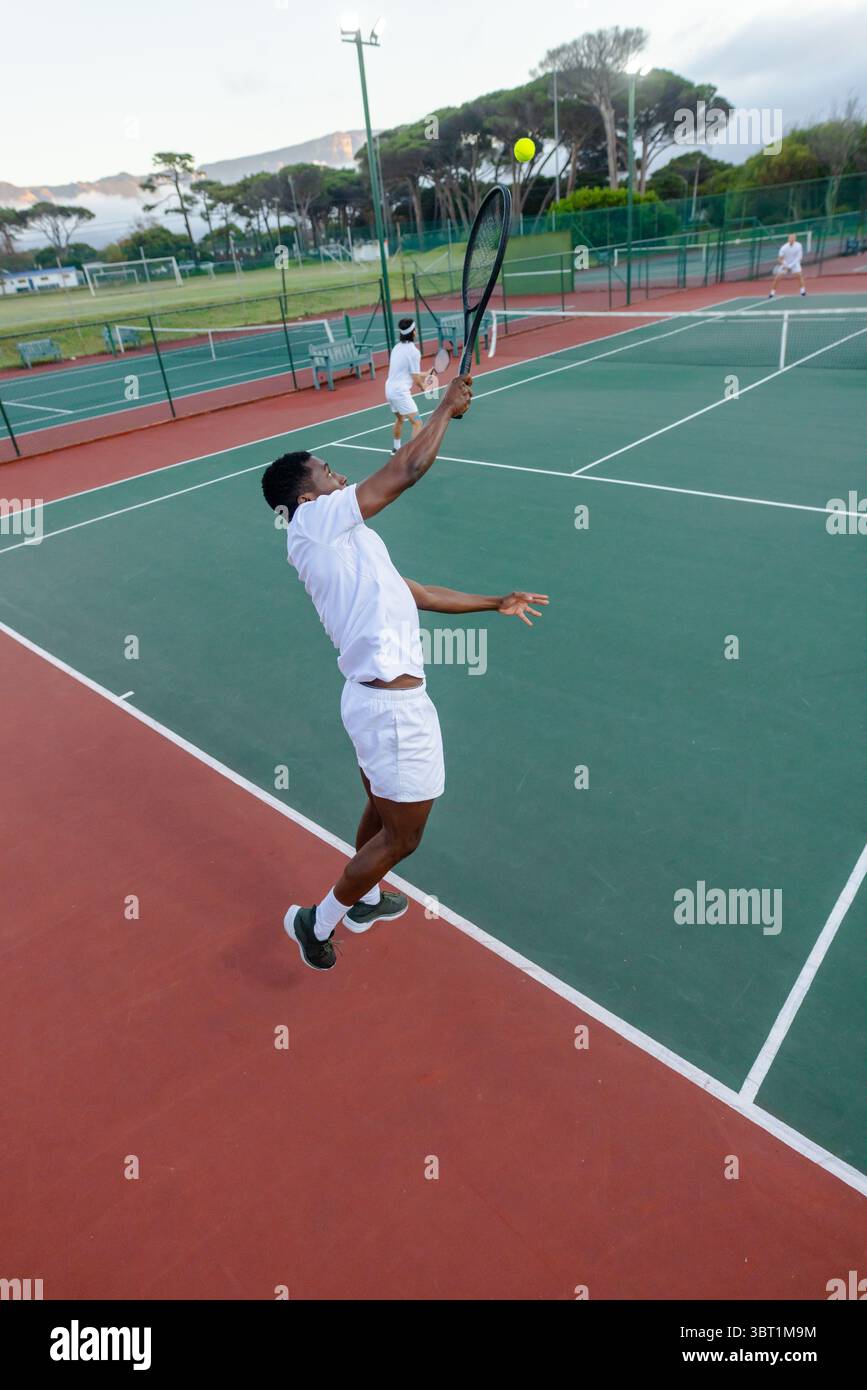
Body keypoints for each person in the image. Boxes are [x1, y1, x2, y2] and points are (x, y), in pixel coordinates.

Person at [261, 375, 549, 972]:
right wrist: (443, 407)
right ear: (307, 498)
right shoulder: (311, 527)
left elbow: (414, 592)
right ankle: (316, 923)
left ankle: (364, 897)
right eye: (327, 471)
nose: (339, 475)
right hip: (392, 710)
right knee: (404, 837)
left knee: (383, 811)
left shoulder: (349, 537)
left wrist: (493, 601)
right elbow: (405, 473)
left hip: (375, 702)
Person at [385, 317, 429, 451]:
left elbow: (405, 372)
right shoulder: (414, 352)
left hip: (389, 391)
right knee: (417, 422)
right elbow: (415, 379)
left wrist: (425, 373)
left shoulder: (396, 348)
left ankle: (396, 449)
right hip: (400, 393)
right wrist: (424, 387)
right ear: (413, 332)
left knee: (400, 419)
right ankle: (412, 454)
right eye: (415, 330)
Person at [768, 232, 806, 297]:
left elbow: (799, 257)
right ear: (788, 239)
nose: (792, 239)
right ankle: (772, 293)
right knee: (778, 277)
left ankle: (802, 291)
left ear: (795, 238)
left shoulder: (799, 245)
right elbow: (780, 258)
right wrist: (785, 265)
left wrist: (790, 266)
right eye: (791, 237)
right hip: (785, 263)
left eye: (793, 237)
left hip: (795, 263)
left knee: (799, 275)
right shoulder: (784, 247)